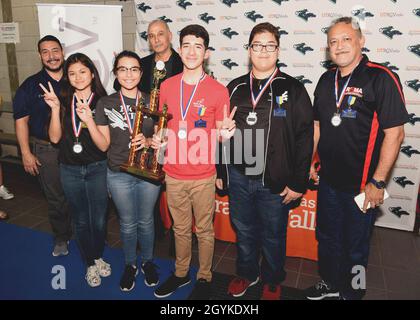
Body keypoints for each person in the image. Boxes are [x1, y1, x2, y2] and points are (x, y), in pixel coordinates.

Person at [305, 17, 408, 300]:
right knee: (326, 238)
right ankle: (330, 282)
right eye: (333, 42)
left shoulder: (380, 77)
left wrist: (377, 181)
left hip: (363, 186)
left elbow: (395, 134)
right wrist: (311, 161)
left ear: (361, 41)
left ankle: (354, 291)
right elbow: (317, 127)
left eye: (346, 39)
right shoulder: (326, 80)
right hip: (328, 182)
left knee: (356, 246)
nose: (339, 46)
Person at [216, 22, 314, 300]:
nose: (263, 51)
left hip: (275, 178)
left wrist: (298, 181)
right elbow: (221, 131)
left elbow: (305, 138)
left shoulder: (293, 89)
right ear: (249, 50)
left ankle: (272, 278)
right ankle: (248, 273)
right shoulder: (234, 87)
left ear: (278, 50)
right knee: (244, 230)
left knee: (273, 234)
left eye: (269, 45)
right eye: (257, 45)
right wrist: (221, 169)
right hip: (238, 175)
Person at [152, 24, 232, 300]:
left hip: (203, 174)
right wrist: (158, 139)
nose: (192, 51)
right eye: (186, 45)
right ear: (179, 49)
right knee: (180, 229)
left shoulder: (219, 91)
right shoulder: (166, 86)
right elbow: (163, 127)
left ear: (206, 53)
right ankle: (181, 273)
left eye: (198, 46)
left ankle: (205, 276)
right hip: (173, 173)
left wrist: (226, 135)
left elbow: (222, 136)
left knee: (205, 230)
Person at [40, 53, 110, 287]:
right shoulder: (62, 100)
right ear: (67, 78)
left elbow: (104, 145)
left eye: (82, 71)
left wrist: (89, 120)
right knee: (80, 220)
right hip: (69, 169)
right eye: (72, 73)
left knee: (99, 220)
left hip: (97, 168)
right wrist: (55, 108)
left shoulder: (103, 101)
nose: (77, 77)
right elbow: (54, 138)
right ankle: (90, 262)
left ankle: (98, 255)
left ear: (92, 73)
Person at [93, 50, 160, 292]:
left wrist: (152, 141)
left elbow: (165, 135)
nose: (128, 74)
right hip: (119, 172)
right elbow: (104, 144)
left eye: (134, 69)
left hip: (147, 172)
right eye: (123, 69)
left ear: (141, 73)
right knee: (128, 223)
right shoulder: (106, 103)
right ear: (115, 73)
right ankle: (131, 264)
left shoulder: (154, 101)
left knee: (146, 220)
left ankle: (148, 262)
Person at [13, 35, 72, 256]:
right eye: (45, 52)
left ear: (62, 51)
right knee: (56, 197)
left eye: (55, 50)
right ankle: (61, 237)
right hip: (46, 150)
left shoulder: (74, 78)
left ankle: (86, 235)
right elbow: (21, 121)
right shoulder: (30, 85)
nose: (51, 56)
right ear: (40, 55)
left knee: (78, 195)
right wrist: (26, 153)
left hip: (75, 148)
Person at [113, 19, 183, 93]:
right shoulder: (142, 64)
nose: (156, 40)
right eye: (151, 36)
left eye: (160, 34)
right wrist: (121, 66)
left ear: (170, 36)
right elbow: (117, 85)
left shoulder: (183, 64)